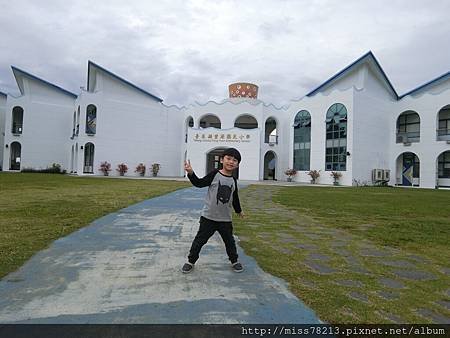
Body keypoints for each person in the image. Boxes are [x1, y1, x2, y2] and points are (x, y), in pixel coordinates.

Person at [182, 148, 245, 273]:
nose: (231, 162)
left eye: (235, 160)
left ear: (237, 164)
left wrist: (239, 211)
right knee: (199, 241)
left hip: (225, 219)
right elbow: (199, 183)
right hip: (208, 218)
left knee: (229, 242)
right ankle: (190, 261)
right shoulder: (215, 174)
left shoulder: (233, 180)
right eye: (228, 158)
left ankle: (234, 261)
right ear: (222, 160)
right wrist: (191, 173)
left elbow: (235, 197)